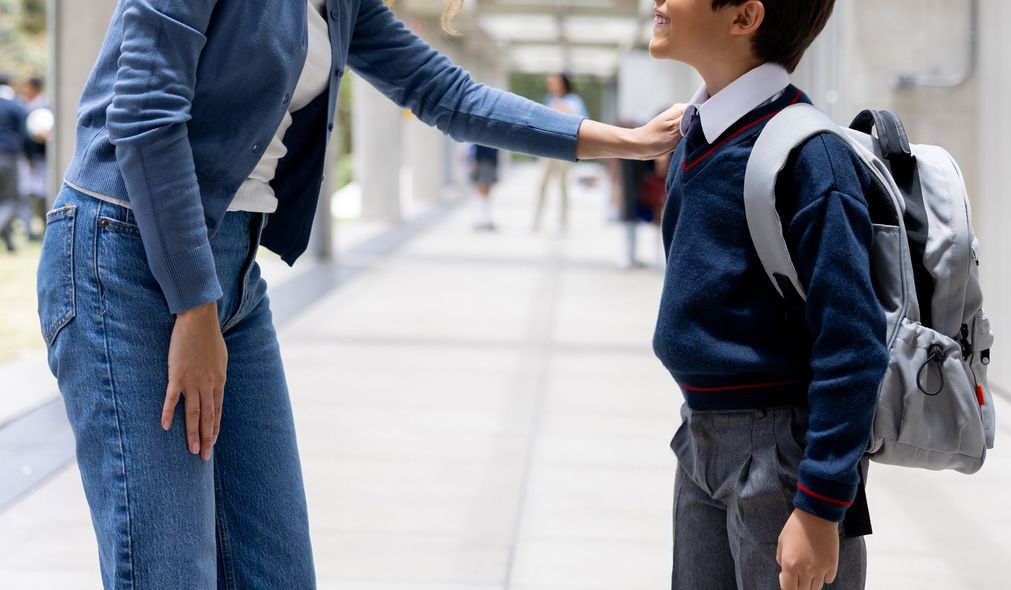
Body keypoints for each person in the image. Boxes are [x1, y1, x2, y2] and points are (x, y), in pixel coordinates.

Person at [35, 0, 683, 588]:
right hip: (125, 257)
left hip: (228, 270)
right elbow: (144, 113)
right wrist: (193, 304)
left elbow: (446, 93)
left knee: (277, 570)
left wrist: (624, 141)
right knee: (170, 572)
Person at [648, 1, 888, 589]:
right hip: (701, 438)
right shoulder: (698, 137)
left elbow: (854, 342)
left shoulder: (808, 155)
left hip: (781, 455)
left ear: (744, 17)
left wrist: (821, 504)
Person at [533, 73, 588, 232]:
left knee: (563, 185)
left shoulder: (574, 100)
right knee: (542, 184)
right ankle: (537, 220)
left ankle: (563, 221)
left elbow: (582, 120)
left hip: (565, 148)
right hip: (547, 150)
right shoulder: (548, 99)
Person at [19, 77, 49, 240]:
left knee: (42, 194)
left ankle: (45, 225)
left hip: (42, 157)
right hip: (29, 158)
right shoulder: (23, 105)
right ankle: (28, 230)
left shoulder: (45, 106)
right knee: (27, 194)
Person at [0, 73, 27, 252]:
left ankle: (9, 243)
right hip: (8, 157)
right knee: (11, 201)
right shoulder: (16, 107)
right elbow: (26, 134)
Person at [469, 143, 500, 231]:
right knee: (481, 193)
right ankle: (480, 220)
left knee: (486, 194)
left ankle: (485, 220)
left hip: (488, 161)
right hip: (482, 160)